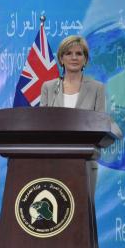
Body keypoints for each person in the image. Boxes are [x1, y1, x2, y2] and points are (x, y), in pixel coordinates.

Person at [40, 35, 105, 197]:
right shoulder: (48, 88)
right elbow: (40, 126)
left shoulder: (97, 88)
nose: (74, 57)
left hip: (85, 163)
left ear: (86, 60)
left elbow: (102, 124)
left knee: (83, 214)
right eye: (68, 53)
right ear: (61, 59)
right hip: (53, 162)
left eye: (79, 53)